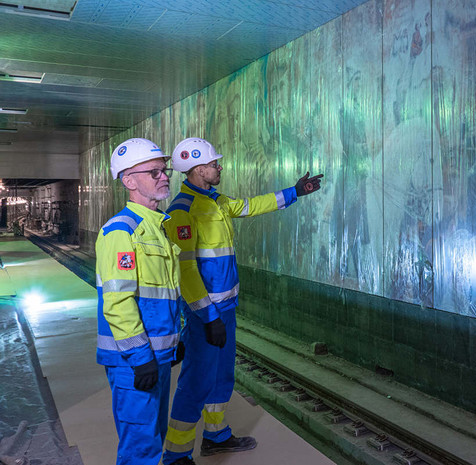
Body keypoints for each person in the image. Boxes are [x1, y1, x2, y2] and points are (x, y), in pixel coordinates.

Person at [162, 138, 323, 464]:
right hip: (204, 313)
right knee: (196, 380)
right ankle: (176, 455)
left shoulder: (215, 201)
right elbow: (187, 272)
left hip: (226, 309)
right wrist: (208, 317)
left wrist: (294, 192)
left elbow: (248, 206)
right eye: (215, 164)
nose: (220, 167)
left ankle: (216, 436)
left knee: (222, 376)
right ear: (198, 168)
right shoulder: (182, 211)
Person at [95, 137, 184, 465]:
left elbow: (165, 293)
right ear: (128, 181)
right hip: (133, 360)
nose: (163, 177)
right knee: (141, 449)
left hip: (157, 355)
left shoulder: (158, 227)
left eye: (164, 171)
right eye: (153, 172)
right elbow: (118, 304)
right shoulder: (122, 231)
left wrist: (175, 341)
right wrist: (140, 356)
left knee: (153, 437)